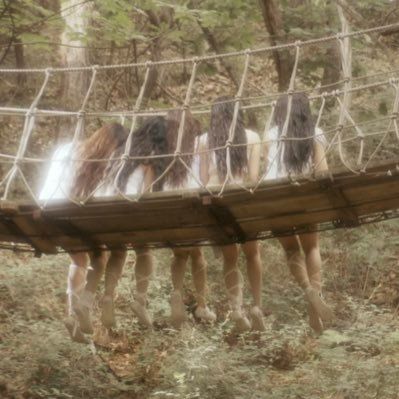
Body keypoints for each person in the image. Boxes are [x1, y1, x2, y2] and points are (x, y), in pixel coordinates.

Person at [39, 123, 129, 343]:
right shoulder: (105, 160)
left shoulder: (68, 148)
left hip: (45, 208)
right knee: (102, 255)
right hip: (71, 215)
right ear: (115, 144)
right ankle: (84, 304)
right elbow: (104, 194)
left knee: (80, 259)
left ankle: (72, 316)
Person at [264, 92, 334, 332]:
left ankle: (307, 291)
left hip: (275, 200)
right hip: (304, 199)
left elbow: (265, 170)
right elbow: (323, 172)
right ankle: (315, 301)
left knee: (291, 249)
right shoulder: (315, 133)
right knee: (312, 247)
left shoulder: (271, 135)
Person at [199, 96, 265, 332]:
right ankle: (257, 306)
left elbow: (204, 181)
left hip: (218, 204)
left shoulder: (204, 141)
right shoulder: (252, 138)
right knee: (253, 254)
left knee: (230, 258)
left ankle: (237, 309)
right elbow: (253, 179)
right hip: (244, 204)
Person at [162, 109, 216, 328]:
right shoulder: (199, 144)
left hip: (169, 206)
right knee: (197, 254)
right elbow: (204, 178)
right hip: (192, 204)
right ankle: (202, 305)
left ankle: (176, 295)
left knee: (181, 254)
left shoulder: (164, 148)